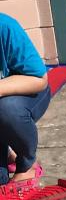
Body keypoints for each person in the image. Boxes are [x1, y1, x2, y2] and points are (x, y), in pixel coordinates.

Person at [0, 12, 50, 188]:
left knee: (7, 109)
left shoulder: (5, 26)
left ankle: (27, 165)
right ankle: (7, 155)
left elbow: (39, 79)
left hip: (25, 94)